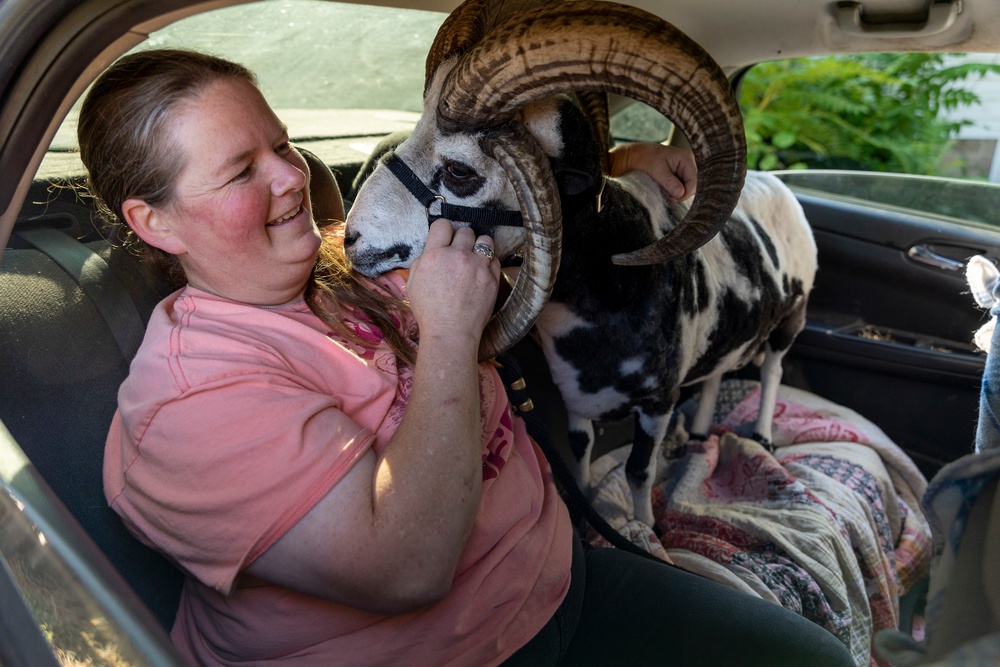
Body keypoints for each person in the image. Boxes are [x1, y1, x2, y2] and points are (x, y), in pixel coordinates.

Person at [87, 48, 854, 666]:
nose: (293, 176)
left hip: (559, 582)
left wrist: (619, 164)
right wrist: (451, 336)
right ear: (154, 221)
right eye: (241, 170)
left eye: (281, 143)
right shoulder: (188, 403)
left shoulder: (345, 261)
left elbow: (497, 202)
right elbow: (405, 568)